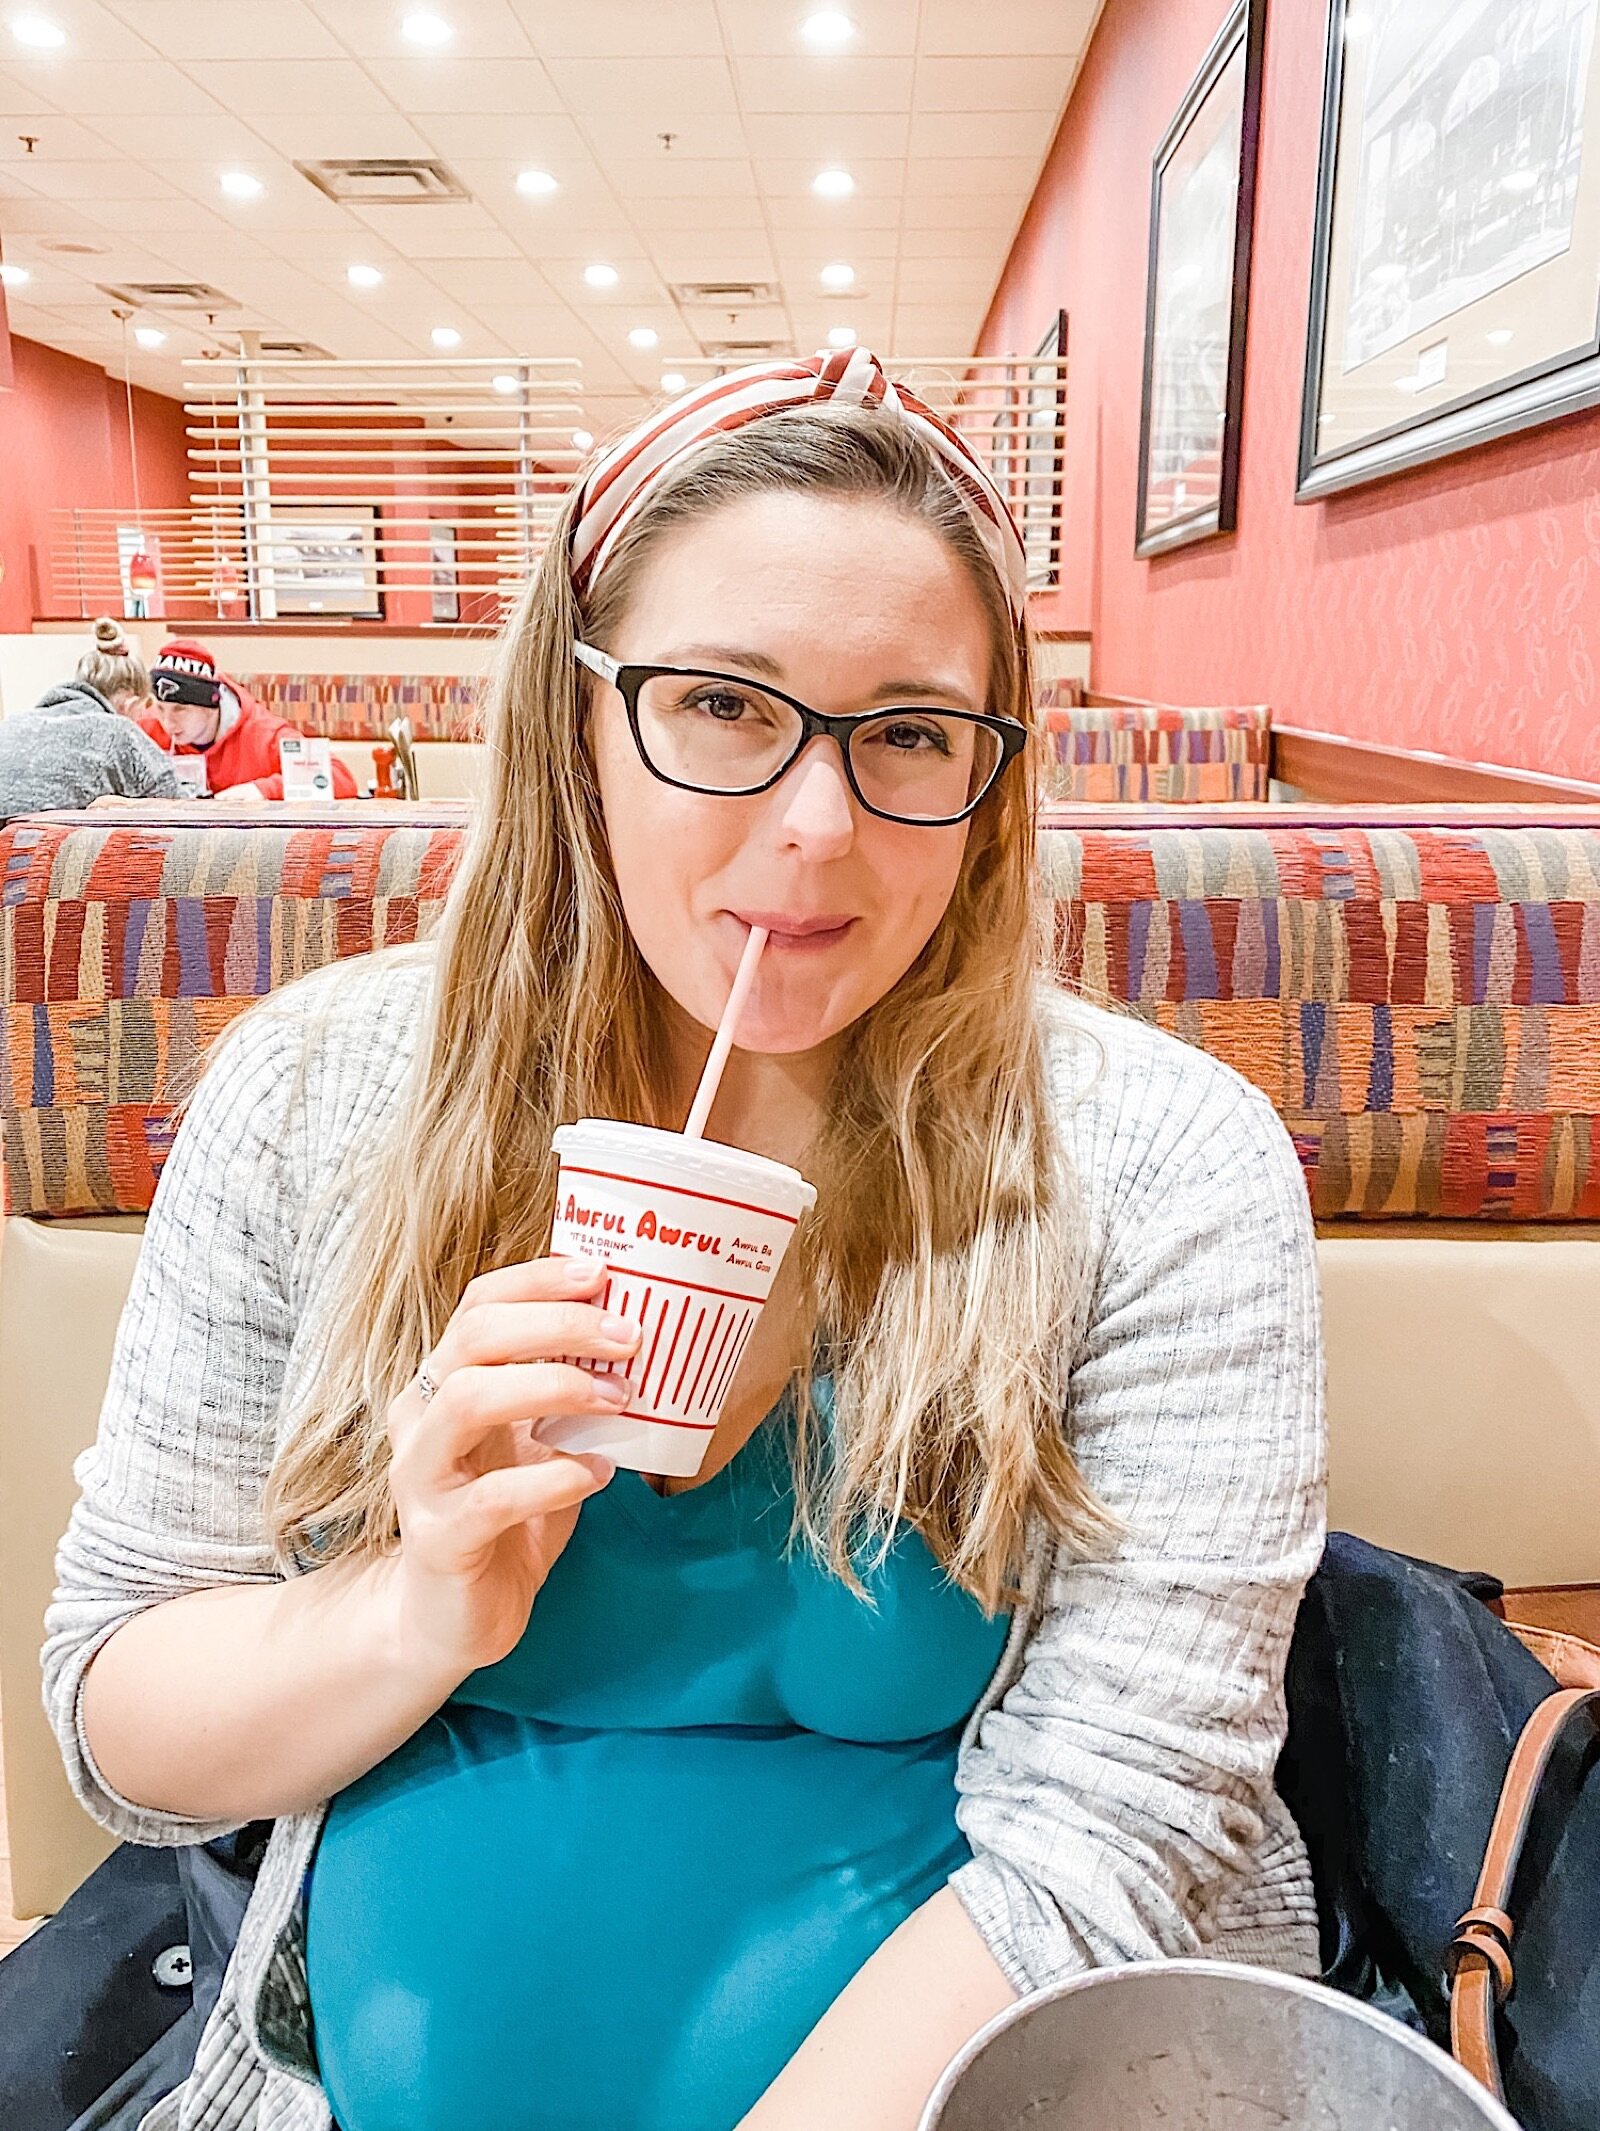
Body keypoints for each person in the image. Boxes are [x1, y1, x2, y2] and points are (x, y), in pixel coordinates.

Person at [44, 350, 1325, 2131]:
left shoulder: (1159, 1164)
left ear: (990, 772)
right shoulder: (313, 1099)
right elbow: (121, 1727)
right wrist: (409, 1612)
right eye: (722, 706)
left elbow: (1130, 1824)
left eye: (908, 734)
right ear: (578, 720)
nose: (817, 826)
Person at [0, 617, 179, 823]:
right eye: (141, 710)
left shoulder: (15, 722)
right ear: (129, 704)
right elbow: (170, 796)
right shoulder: (118, 731)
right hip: (40, 846)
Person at [137, 638, 359, 799]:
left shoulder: (264, 735)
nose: (167, 723)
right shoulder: (144, 731)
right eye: (160, 708)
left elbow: (339, 778)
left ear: (211, 705)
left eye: (180, 710)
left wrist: (261, 791)